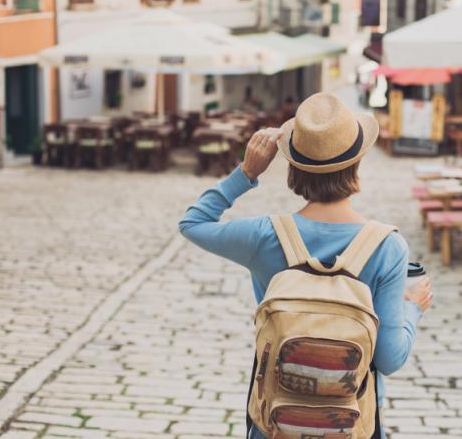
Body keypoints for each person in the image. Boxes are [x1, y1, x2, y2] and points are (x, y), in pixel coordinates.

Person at [179, 92, 433, 439]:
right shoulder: (387, 247)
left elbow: (193, 224)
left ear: (293, 166)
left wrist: (246, 172)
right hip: (351, 423)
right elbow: (389, 358)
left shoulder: (264, 235)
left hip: (273, 424)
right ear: (356, 162)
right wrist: (412, 308)